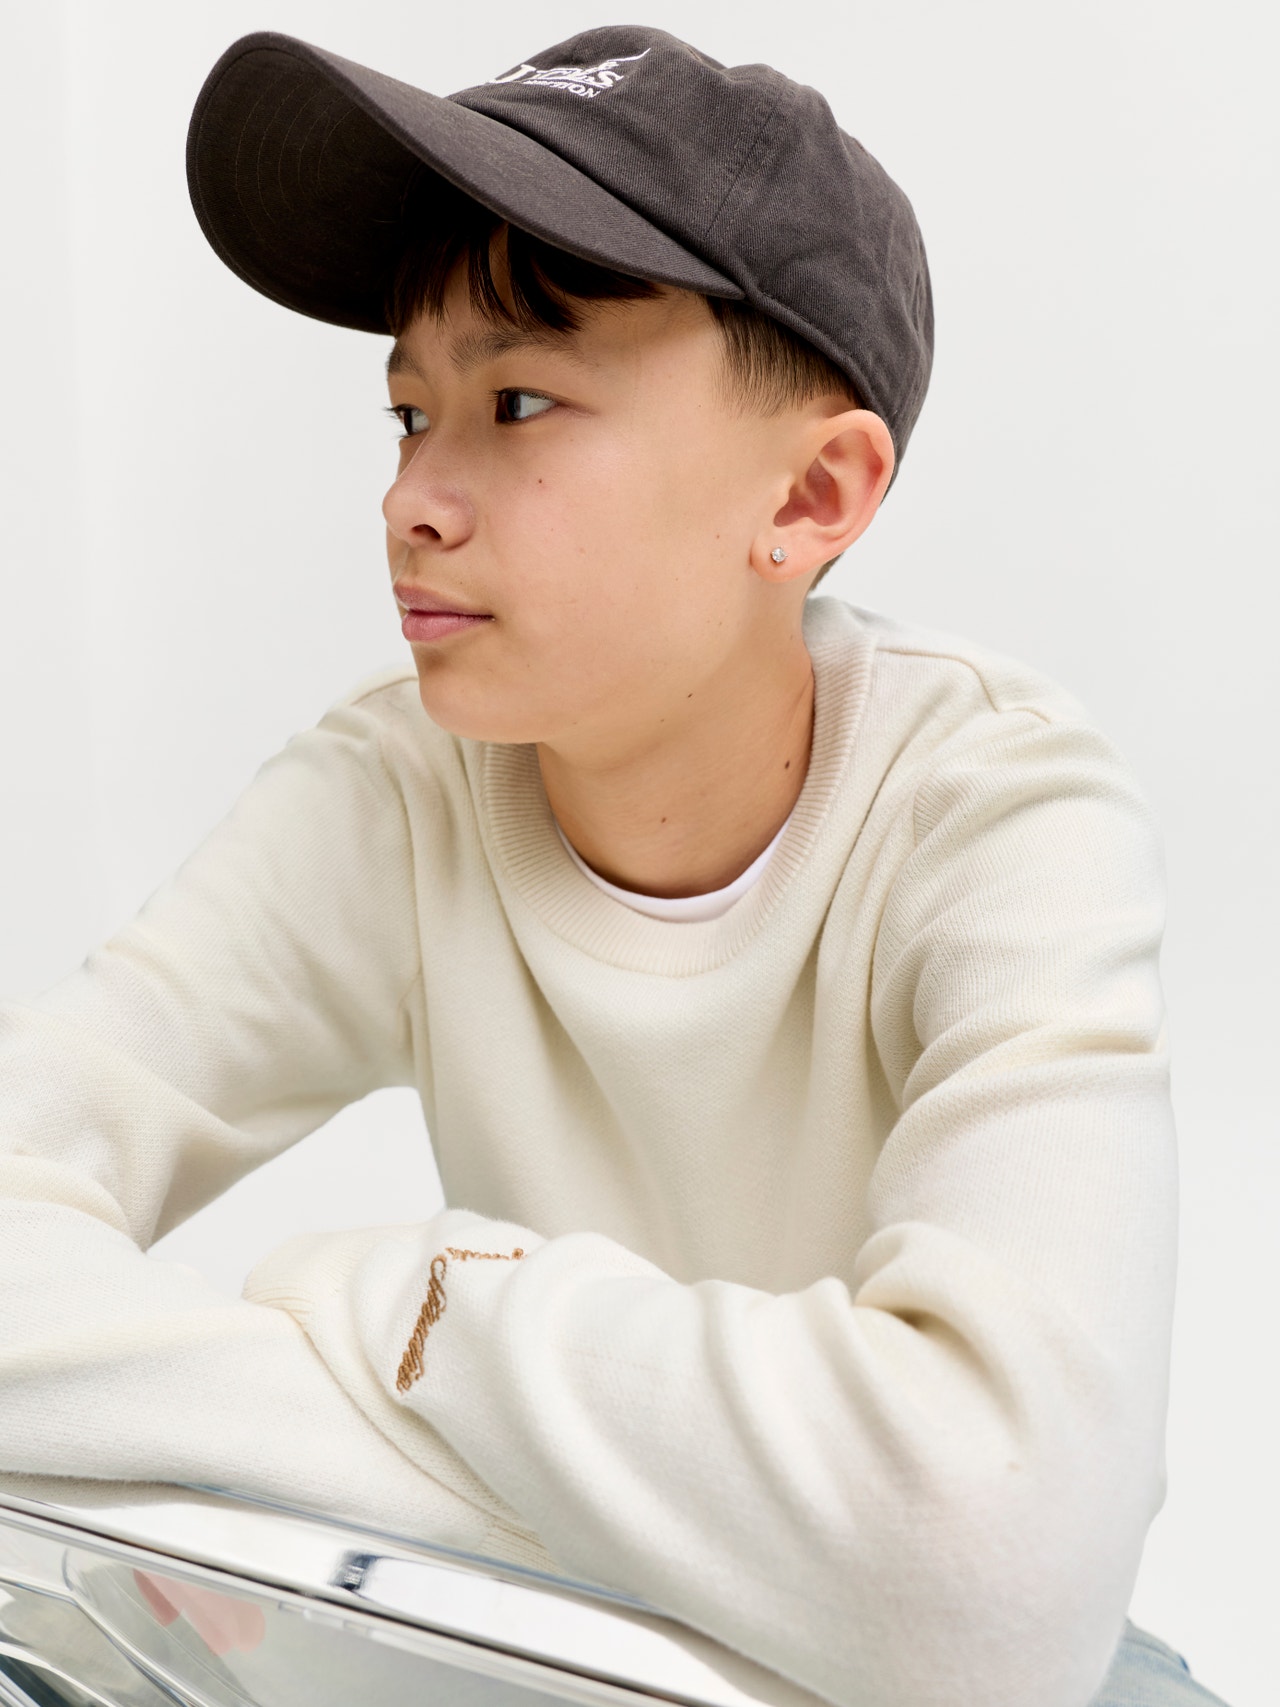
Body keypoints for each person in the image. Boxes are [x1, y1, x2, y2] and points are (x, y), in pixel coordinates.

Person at [0, 23, 1229, 1707]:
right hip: (545, 1646)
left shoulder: (995, 813)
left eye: (519, 401)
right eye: (408, 412)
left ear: (810, 496)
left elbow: (991, 1585)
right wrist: (608, 1522)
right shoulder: (395, 796)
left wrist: (419, 1302)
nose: (413, 500)